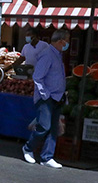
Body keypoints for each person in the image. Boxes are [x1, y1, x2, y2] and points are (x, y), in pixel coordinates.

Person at [23, 29, 69, 168]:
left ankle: (47, 157)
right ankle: (28, 148)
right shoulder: (48, 54)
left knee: (53, 128)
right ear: (61, 41)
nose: (67, 44)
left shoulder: (57, 55)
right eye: (66, 41)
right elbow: (38, 77)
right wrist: (45, 95)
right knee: (44, 126)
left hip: (57, 96)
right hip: (47, 97)